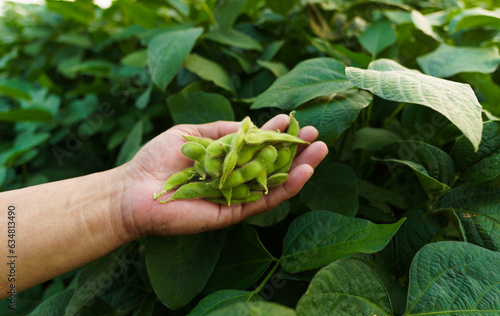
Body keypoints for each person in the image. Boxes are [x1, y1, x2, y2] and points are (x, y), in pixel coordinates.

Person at [0, 114, 328, 300]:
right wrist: (122, 198)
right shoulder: (208, 161)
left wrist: (119, 197)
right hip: (214, 178)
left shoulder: (258, 155)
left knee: (269, 157)